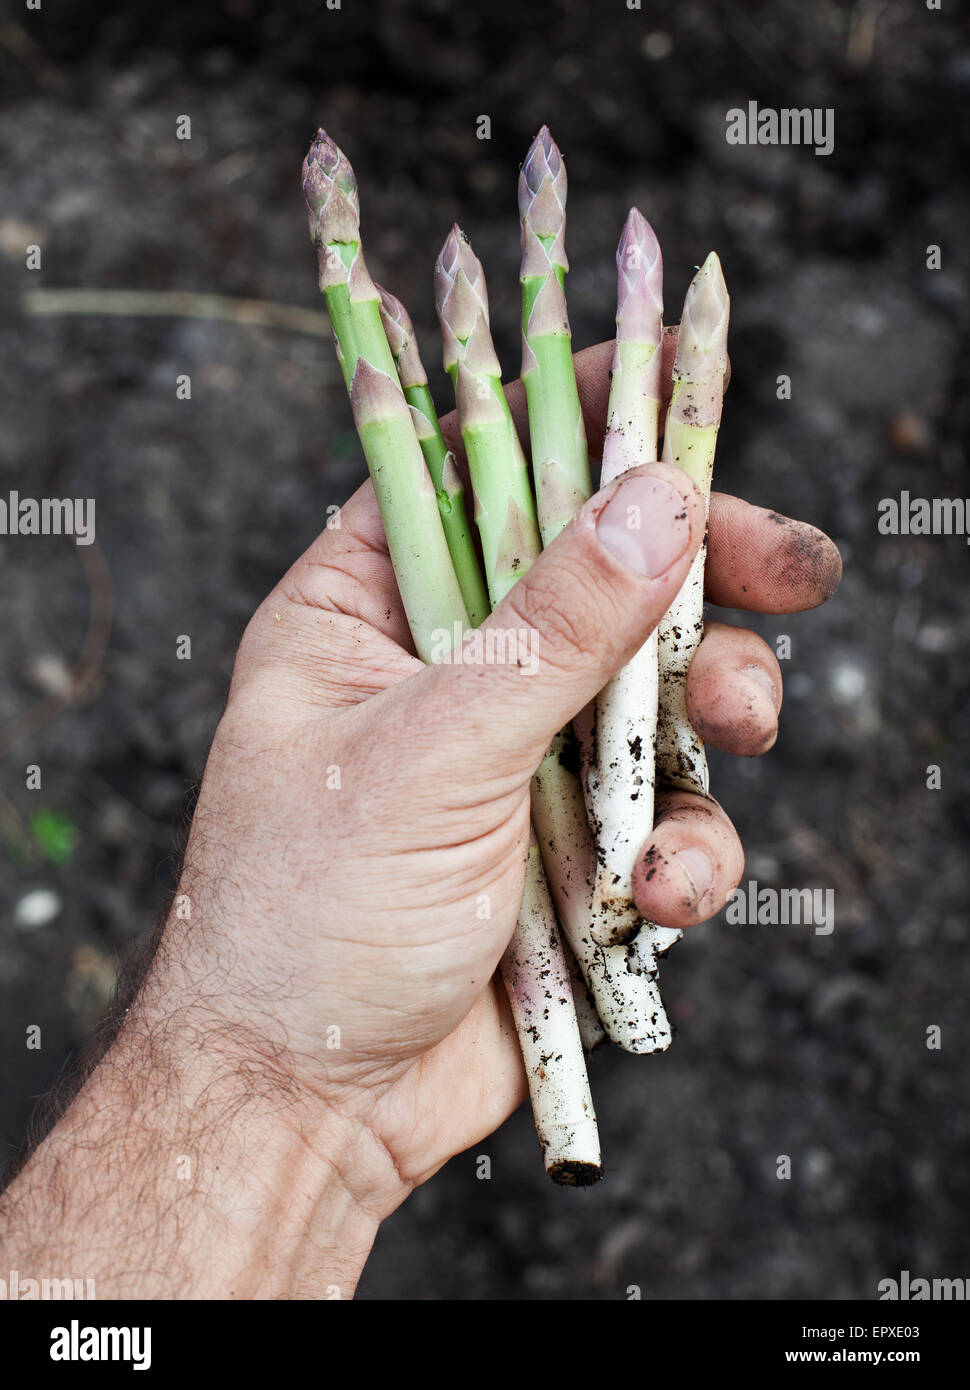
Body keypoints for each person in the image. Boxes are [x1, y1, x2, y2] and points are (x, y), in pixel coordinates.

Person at [0, 341, 841, 1299]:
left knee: (684, 712)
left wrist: (277, 1084)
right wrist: (275, 1069)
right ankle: (605, 1001)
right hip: (489, 966)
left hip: (511, 949)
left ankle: (601, 996)